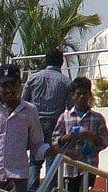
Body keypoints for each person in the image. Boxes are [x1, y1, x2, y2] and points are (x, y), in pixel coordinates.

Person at [23, 49, 71, 192]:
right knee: (52, 157)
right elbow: (70, 107)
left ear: (46, 60)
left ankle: (31, 188)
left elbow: (24, 102)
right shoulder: (66, 82)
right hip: (56, 122)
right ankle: (49, 188)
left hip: (35, 121)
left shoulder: (33, 78)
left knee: (34, 159)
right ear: (61, 62)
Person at [0, 64, 49, 192]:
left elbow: (37, 143)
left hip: (18, 177)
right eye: (4, 85)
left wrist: (52, 151)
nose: (9, 89)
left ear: (20, 84)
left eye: (13, 84)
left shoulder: (30, 111)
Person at [51, 77, 108, 192]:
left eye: (85, 93)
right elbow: (55, 141)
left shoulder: (97, 118)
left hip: (89, 165)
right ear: (73, 95)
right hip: (69, 168)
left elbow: (105, 141)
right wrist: (69, 138)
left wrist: (90, 136)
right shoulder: (65, 117)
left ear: (89, 94)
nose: (82, 97)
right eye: (78, 94)